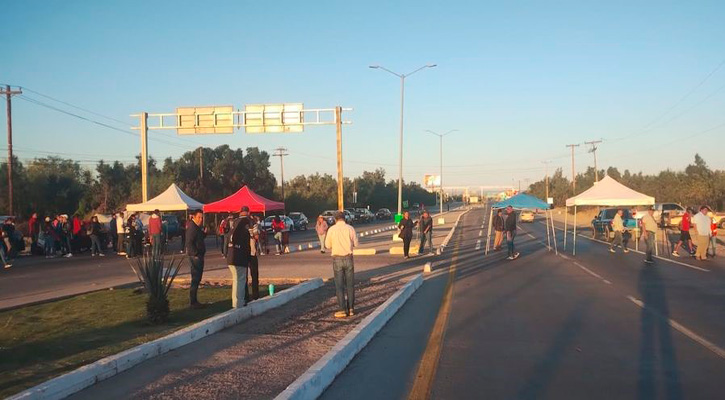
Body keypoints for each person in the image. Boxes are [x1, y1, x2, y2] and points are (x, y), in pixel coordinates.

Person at [324, 211, 359, 318]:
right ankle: (351, 308)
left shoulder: (331, 229)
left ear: (335, 219)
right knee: (350, 285)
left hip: (337, 258)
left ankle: (342, 309)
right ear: (345, 218)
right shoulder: (350, 228)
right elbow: (356, 243)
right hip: (348, 257)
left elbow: (327, 245)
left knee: (339, 286)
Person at [226, 207, 251, 308]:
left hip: (231, 257)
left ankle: (235, 303)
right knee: (240, 280)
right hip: (239, 258)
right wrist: (248, 258)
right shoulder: (243, 229)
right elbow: (246, 246)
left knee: (236, 280)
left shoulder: (233, 227)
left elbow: (227, 241)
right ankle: (239, 302)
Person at [186, 210, 208, 308]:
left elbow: (199, 238)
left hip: (199, 255)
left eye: (202, 217)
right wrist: (195, 253)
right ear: (194, 217)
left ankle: (194, 300)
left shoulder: (197, 228)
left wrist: (205, 234)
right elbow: (189, 243)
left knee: (197, 278)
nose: (201, 219)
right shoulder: (192, 227)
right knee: (195, 278)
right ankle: (193, 301)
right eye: (199, 217)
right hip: (195, 256)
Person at [247, 214, 261, 301]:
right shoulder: (253, 224)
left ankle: (245, 294)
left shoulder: (238, 223)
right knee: (254, 274)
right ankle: (255, 294)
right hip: (252, 251)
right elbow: (256, 236)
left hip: (242, 252)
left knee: (243, 276)